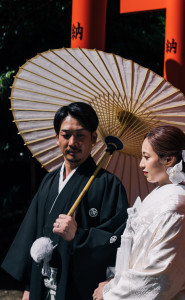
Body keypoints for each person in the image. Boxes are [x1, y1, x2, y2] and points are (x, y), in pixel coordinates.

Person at [1, 102, 129, 299]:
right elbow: (32, 231)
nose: (72, 142)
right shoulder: (49, 180)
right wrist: (28, 286)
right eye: (66, 135)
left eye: (80, 135)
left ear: (94, 138)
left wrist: (78, 236)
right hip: (42, 281)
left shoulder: (109, 185)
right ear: (56, 138)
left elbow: (117, 240)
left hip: (79, 287)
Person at [93, 125, 185, 300]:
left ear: (169, 160)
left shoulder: (172, 212)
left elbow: (157, 278)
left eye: (146, 157)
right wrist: (114, 282)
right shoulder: (162, 203)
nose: (141, 163)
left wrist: (110, 292)